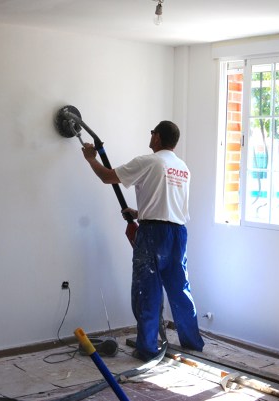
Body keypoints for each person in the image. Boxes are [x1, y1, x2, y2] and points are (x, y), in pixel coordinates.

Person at [81, 120, 204, 361]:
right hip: (178, 233)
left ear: (157, 137)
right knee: (180, 289)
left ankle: (147, 348)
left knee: (147, 290)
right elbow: (168, 204)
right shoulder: (182, 168)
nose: (150, 136)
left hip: (153, 235)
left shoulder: (148, 161)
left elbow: (108, 177)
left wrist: (90, 159)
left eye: (152, 133)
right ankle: (192, 343)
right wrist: (140, 213)